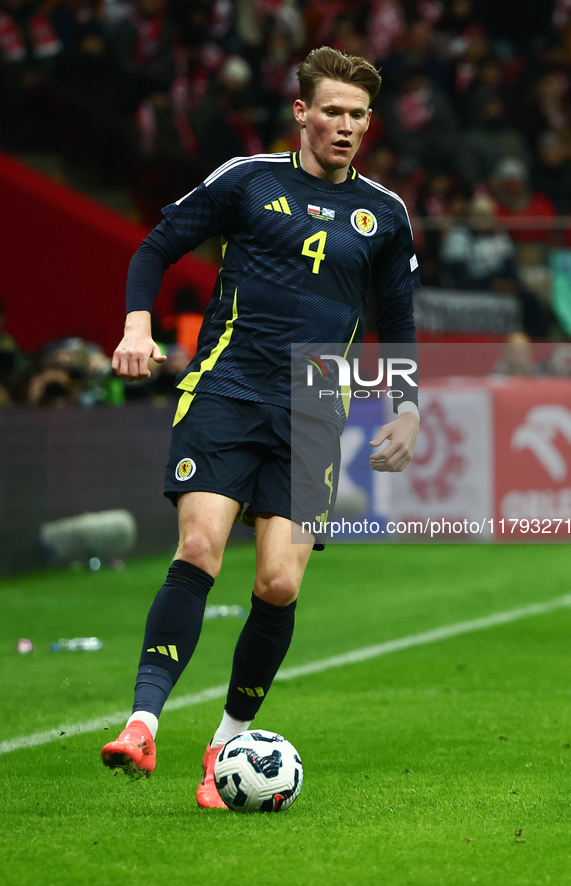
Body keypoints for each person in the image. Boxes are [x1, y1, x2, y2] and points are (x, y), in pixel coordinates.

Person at [100, 46, 421, 807]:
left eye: (358, 115)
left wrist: (407, 408)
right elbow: (156, 246)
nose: (346, 126)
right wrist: (138, 325)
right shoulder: (249, 179)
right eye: (333, 111)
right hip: (230, 385)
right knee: (200, 545)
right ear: (302, 113)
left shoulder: (385, 214)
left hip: (314, 407)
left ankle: (222, 748)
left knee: (277, 582)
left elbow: (399, 321)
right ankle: (142, 722)